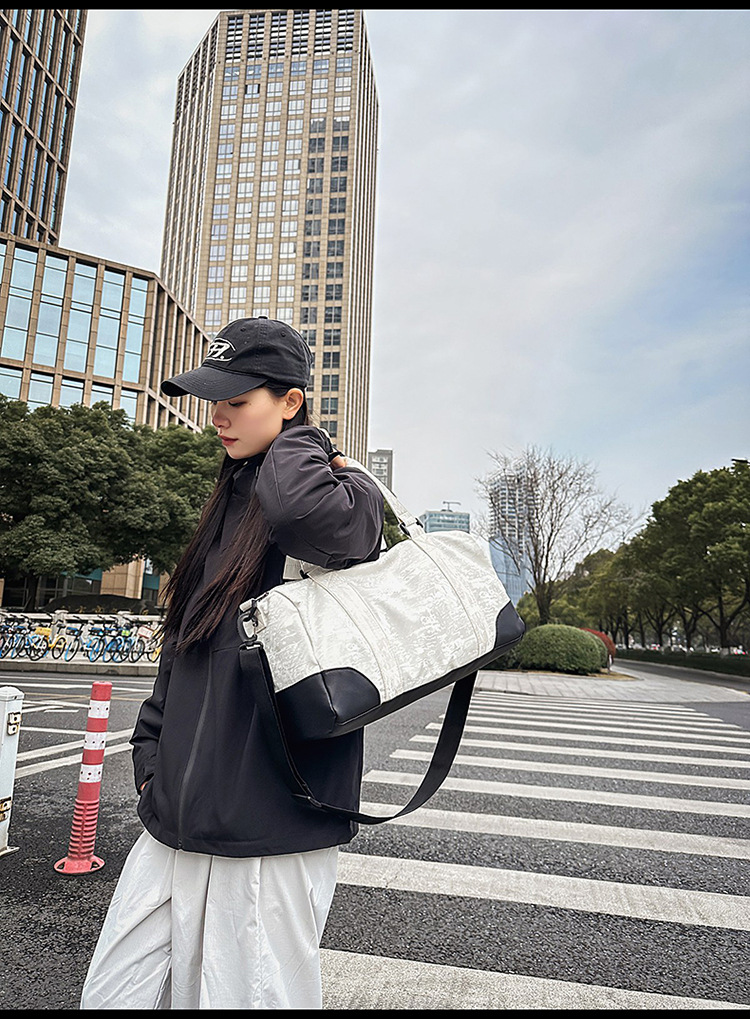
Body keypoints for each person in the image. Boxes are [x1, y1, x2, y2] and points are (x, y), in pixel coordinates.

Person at [80, 317, 385, 1010]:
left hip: (272, 830)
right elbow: (184, 647)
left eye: (238, 400)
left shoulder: (339, 497)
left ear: (290, 400)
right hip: (177, 819)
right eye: (214, 399)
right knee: (114, 991)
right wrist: (150, 757)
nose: (218, 416)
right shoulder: (232, 500)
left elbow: (300, 512)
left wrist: (303, 440)